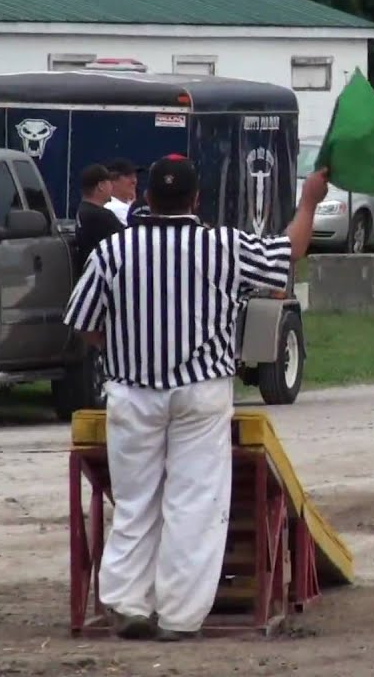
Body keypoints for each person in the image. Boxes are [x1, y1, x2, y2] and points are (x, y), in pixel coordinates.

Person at [62, 154, 328, 641]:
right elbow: (289, 253)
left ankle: (127, 603)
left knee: (135, 500)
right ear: (197, 200)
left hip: (132, 391)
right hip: (201, 391)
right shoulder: (223, 245)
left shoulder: (114, 251)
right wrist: (309, 200)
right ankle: (181, 617)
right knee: (195, 503)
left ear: (146, 199)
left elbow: (83, 322)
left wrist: (123, 345)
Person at [74, 164, 123, 266]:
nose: (112, 186)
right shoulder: (102, 216)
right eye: (109, 181)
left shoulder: (83, 211)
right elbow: (126, 242)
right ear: (100, 186)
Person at [105, 158, 141, 225]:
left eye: (135, 176)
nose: (134, 181)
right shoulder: (112, 207)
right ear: (113, 181)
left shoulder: (132, 204)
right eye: (129, 177)